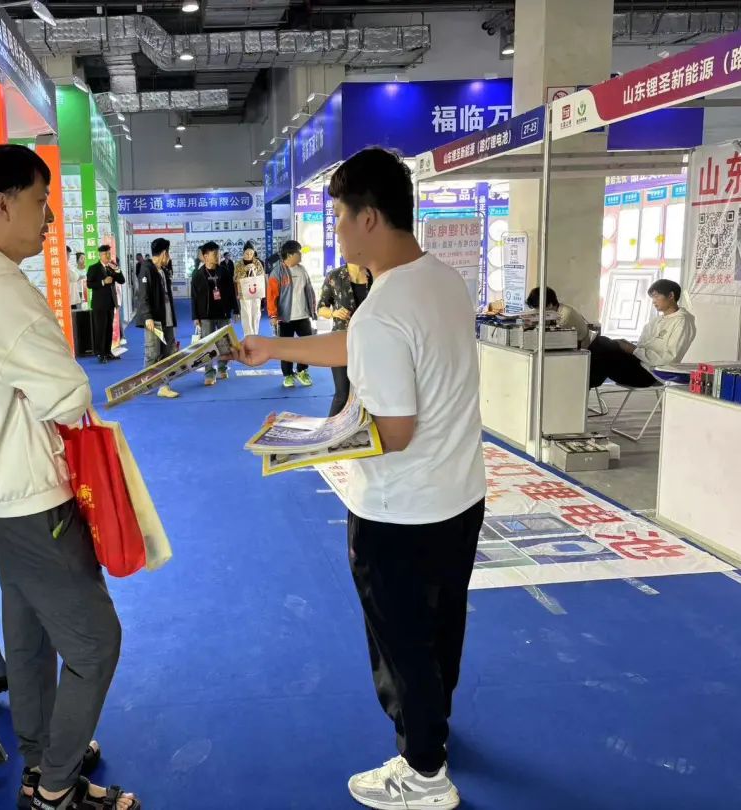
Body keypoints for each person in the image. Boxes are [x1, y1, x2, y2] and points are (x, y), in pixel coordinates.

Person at [234, 147, 485, 810]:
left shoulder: (383, 306)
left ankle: (424, 773)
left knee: (402, 643)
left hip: (400, 511)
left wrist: (309, 442)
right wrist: (277, 346)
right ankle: (434, 732)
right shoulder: (441, 282)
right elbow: (360, 347)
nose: (337, 230)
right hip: (459, 496)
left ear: (369, 218)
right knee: (440, 628)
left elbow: (393, 430)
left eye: (340, 217)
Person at [0, 144, 138, 810]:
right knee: (96, 643)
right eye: (42, 202)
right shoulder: (3, 295)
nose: (49, 217)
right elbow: (68, 394)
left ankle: (44, 753)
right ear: (3, 204)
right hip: (29, 496)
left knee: (30, 630)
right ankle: (55, 790)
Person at [588, 278, 697, 389]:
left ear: (671, 295)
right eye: (652, 297)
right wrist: (628, 347)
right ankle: (584, 384)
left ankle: (584, 385)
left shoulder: (682, 321)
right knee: (602, 342)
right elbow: (642, 347)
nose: (653, 301)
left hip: (650, 374)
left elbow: (669, 359)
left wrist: (633, 350)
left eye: (656, 296)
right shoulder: (656, 321)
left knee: (604, 349)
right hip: (638, 363)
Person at [318, 263, 373, 416]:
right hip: (341, 342)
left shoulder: (376, 274)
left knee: (370, 395)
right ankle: (330, 430)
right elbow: (321, 308)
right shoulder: (334, 276)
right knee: (342, 395)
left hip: (371, 343)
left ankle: (364, 429)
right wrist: (334, 313)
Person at [267, 240, 316, 389]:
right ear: (289, 255)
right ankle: (288, 375)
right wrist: (273, 315)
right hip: (285, 318)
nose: (301, 255)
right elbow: (271, 296)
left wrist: (313, 309)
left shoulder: (302, 270)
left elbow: (309, 291)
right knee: (286, 348)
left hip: (303, 316)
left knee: (307, 345)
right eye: (298, 252)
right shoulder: (277, 272)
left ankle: (302, 370)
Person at [135, 237, 180, 399]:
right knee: (153, 352)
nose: (169, 256)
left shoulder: (163, 271)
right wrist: (147, 317)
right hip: (154, 319)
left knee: (169, 351)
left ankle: (164, 385)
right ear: (163, 253)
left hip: (167, 317)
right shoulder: (146, 269)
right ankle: (146, 382)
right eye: (168, 253)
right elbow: (143, 296)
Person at [191, 240, 238, 386]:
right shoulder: (198, 274)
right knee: (207, 345)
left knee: (224, 343)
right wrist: (195, 316)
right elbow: (194, 297)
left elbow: (231, 292)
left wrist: (235, 310)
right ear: (205, 256)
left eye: (218, 254)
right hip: (205, 315)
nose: (218, 257)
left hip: (223, 313)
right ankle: (209, 373)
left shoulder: (224, 271)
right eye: (214, 254)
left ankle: (222, 368)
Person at [86, 245, 125, 363]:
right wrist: (103, 282)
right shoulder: (94, 268)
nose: (108, 256)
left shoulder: (111, 268)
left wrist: (117, 269)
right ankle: (100, 354)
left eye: (109, 253)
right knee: (100, 329)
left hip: (110, 303)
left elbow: (122, 280)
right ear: (100, 255)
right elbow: (89, 284)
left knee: (109, 329)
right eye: (105, 254)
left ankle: (108, 352)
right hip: (99, 305)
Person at [525, 286, 591, 349]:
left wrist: (536, 325)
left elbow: (553, 340)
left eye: (538, 309)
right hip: (568, 345)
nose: (537, 312)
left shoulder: (565, 316)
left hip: (581, 348)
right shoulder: (555, 310)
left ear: (550, 305)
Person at [233, 241, 267, 337]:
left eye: (251, 253)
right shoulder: (238, 264)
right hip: (244, 292)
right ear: (243, 253)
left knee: (256, 313)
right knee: (246, 313)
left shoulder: (257, 263)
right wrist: (244, 271)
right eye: (247, 253)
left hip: (256, 291)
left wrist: (254, 270)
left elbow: (261, 276)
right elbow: (235, 278)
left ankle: (255, 334)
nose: (249, 255)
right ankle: (248, 335)